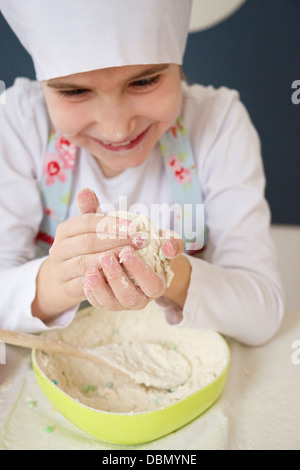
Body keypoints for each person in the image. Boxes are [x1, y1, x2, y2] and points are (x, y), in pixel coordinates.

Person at [0, 0, 284, 345]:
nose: (117, 129)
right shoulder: (18, 126)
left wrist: (167, 272)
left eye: (144, 82)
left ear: (177, 66)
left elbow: (264, 314)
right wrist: (62, 280)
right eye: (75, 91)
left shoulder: (218, 124)